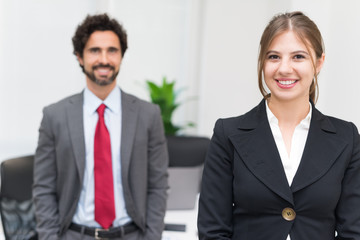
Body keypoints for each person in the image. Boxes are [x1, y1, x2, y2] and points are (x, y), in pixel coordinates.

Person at [197, 11, 360, 240]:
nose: (284, 68)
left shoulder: (347, 138)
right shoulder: (228, 134)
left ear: (319, 62)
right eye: (273, 56)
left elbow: (353, 232)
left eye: (298, 57)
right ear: (262, 61)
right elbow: (213, 231)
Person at [33, 13, 169, 240]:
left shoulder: (148, 115)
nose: (104, 59)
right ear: (79, 56)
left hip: (131, 235)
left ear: (121, 56)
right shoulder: (54, 116)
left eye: (112, 50)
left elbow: (158, 186)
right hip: (75, 235)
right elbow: (44, 188)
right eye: (94, 50)